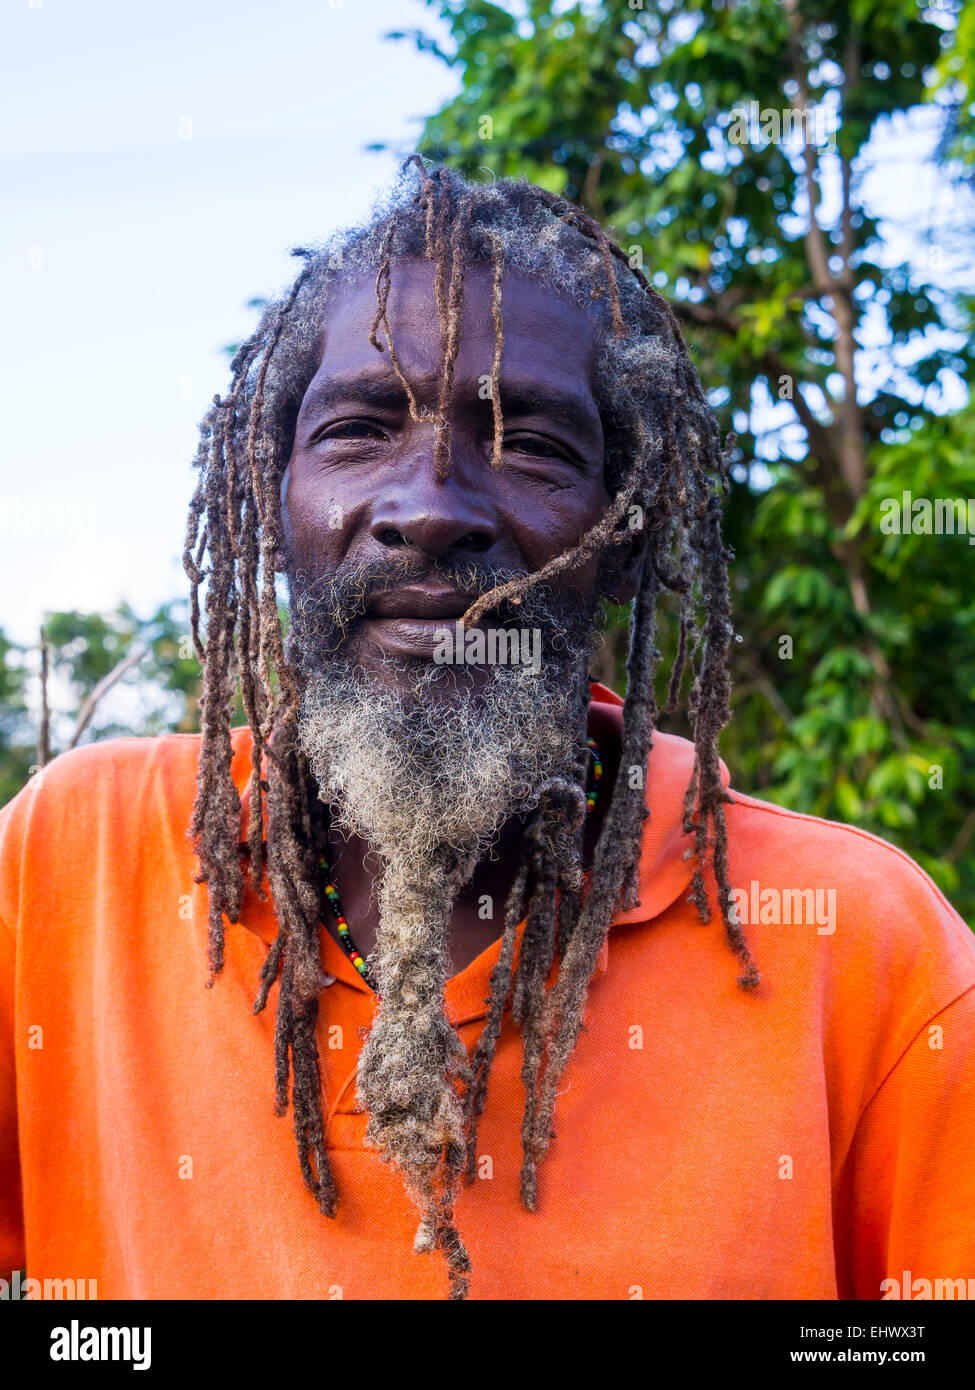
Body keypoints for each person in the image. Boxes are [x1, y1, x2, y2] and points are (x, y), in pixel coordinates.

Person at [2, 160, 973, 1302]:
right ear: (272, 505)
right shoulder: (72, 869)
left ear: (625, 536)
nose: (430, 509)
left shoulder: (862, 950)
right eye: (361, 429)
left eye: (530, 444)